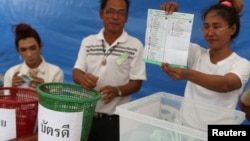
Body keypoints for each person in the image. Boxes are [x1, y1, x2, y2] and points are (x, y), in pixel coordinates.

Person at [161, 0, 250, 129]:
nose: (210, 32)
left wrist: (187, 74)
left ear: (232, 29)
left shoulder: (242, 64)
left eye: (217, 26)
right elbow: (169, 43)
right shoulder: (196, 53)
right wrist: (170, 17)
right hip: (184, 129)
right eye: (206, 26)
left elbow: (226, 84)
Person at [72, 0, 147, 140]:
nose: (115, 17)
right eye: (110, 11)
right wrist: (83, 79)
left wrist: (116, 91)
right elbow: (76, 72)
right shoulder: (88, 42)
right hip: (84, 116)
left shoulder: (135, 45)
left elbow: (137, 83)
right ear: (102, 14)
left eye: (121, 13)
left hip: (114, 121)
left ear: (127, 17)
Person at [4, 23, 64, 90]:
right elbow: (6, 99)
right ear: (18, 51)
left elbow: (56, 100)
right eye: (23, 50)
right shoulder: (11, 73)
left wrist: (45, 91)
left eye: (33, 48)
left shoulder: (55, 73)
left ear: (40, 46)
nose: (29, 54)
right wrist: (13, 91)